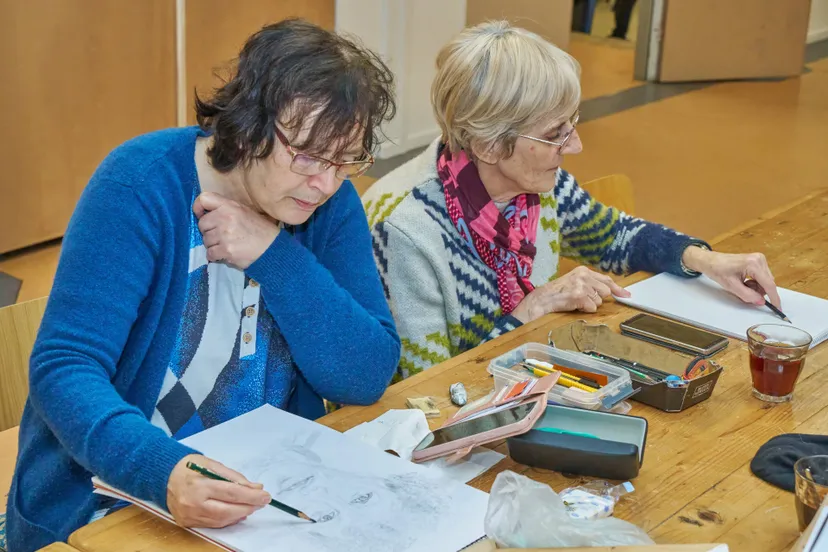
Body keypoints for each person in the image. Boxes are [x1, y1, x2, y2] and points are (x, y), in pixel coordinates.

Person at [6, 18, 399, 552]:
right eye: (307, 155)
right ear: (250, 124)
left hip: (263, 495)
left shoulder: (325, 204)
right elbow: (63, 367)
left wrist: (274, 255)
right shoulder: (139, 185)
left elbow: (365, 375)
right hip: (113, 495)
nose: (325, 182)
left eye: (346, 159)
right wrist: (161, 470)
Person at [363, 21, 780, 380]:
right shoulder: (405, 231)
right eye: (554, 134)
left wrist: (705, 260)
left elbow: (615, 238)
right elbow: (427, 394)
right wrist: (532, 309)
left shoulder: (537, 183)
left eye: (571, 124)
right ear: (488, 145)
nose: (575, 145)